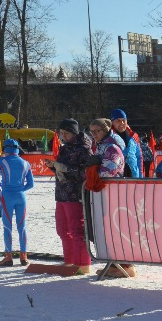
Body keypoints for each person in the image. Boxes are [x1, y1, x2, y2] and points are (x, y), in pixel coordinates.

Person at [86, 118, 134, 278]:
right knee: (107, 230)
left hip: (114, 195)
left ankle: (125, 265)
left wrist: (94, 170)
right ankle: (114, 263)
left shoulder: (112, 147)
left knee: (117, 228)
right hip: (103, 195)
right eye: (91, 131)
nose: (93, 134)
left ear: (105, 130)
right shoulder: (100, 147)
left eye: (97, 131)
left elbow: (109, 170)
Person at [46, 119, 92, 275]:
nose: (63, 136)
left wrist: (65, 168)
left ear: (74, 133)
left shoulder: (84, 149)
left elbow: (85, 173)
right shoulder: (64, 149)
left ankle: (83, 263)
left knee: (77, 230)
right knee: (62, 230)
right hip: (61, 194)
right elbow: (63, 171)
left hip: (75, 195)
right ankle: (69, 261)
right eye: (61, 133)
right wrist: (55, 168)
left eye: (66, 133)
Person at [0, 138, 34, 266]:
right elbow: (31, 184)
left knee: (7, 227)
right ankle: (24, 257)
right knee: (22, 227)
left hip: (7, 196)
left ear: (5, 149)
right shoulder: (25, 163)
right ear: (17, 149)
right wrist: (19, 189)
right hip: (21, 197)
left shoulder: (2, 160)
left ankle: (8, 257)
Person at [108, 109, 142, 179]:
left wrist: (141, 177)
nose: (122, 123)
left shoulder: (133, 137)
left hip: (134, 177)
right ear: (112, 122)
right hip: (116, 179)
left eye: (124, 120)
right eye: (118, 121)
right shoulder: (108, 137)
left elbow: (139, 157)